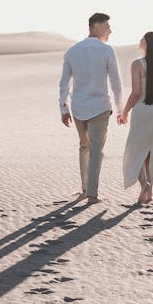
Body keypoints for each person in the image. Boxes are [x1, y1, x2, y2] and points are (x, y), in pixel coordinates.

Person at [59, 12, 124, 203]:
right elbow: (116, 82)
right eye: (107, 26)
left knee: (84, 147)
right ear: (96, 26)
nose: (110, 30)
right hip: (99, 106)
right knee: (96, 150)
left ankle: (86, 188)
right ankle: (92, 195)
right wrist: (120, 109)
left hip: (78, 108)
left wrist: (64, 108)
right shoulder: (106, 50)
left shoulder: (72, 51)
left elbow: (63, 84)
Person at [119, 31, 153, 205]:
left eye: (142, 39)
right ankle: (149, 193)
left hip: (143, 110)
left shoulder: (137, 64)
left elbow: (136, 93)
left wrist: (125, 111)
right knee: (149, 151)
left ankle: (145, 184)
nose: (139, 41)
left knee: (135, 149)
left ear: (147, 44)